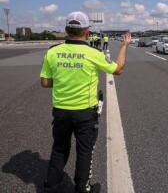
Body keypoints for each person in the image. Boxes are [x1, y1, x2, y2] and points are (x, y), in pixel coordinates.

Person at [40, 11, 131, 193]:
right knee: (84, 152)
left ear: (66, 30)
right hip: (85, 113)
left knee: (59, 148)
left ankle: (52, 186)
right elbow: (118, 69)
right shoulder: (93, 53)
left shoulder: (53, 52)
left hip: (60, 112)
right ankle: (82, 188)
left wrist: (65, 80)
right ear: (87, 31)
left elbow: (45, 82)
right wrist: (124, 46)